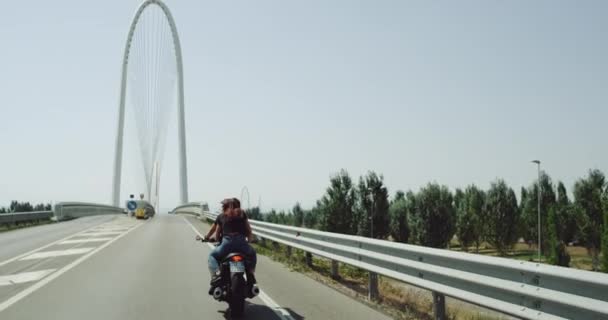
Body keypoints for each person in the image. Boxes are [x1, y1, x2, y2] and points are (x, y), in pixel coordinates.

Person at [202, 197, 257, 294]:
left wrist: (211, 238)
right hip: (241, 243)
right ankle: (251, 274)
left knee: (213, 256)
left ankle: (217, 275)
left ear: (226, 207)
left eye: (223, 206)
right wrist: (249, 241)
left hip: (227, 244)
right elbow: (249, 230)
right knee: (252, 254)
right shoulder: (242, 214)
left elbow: (217, 234)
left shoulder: (222, 216)